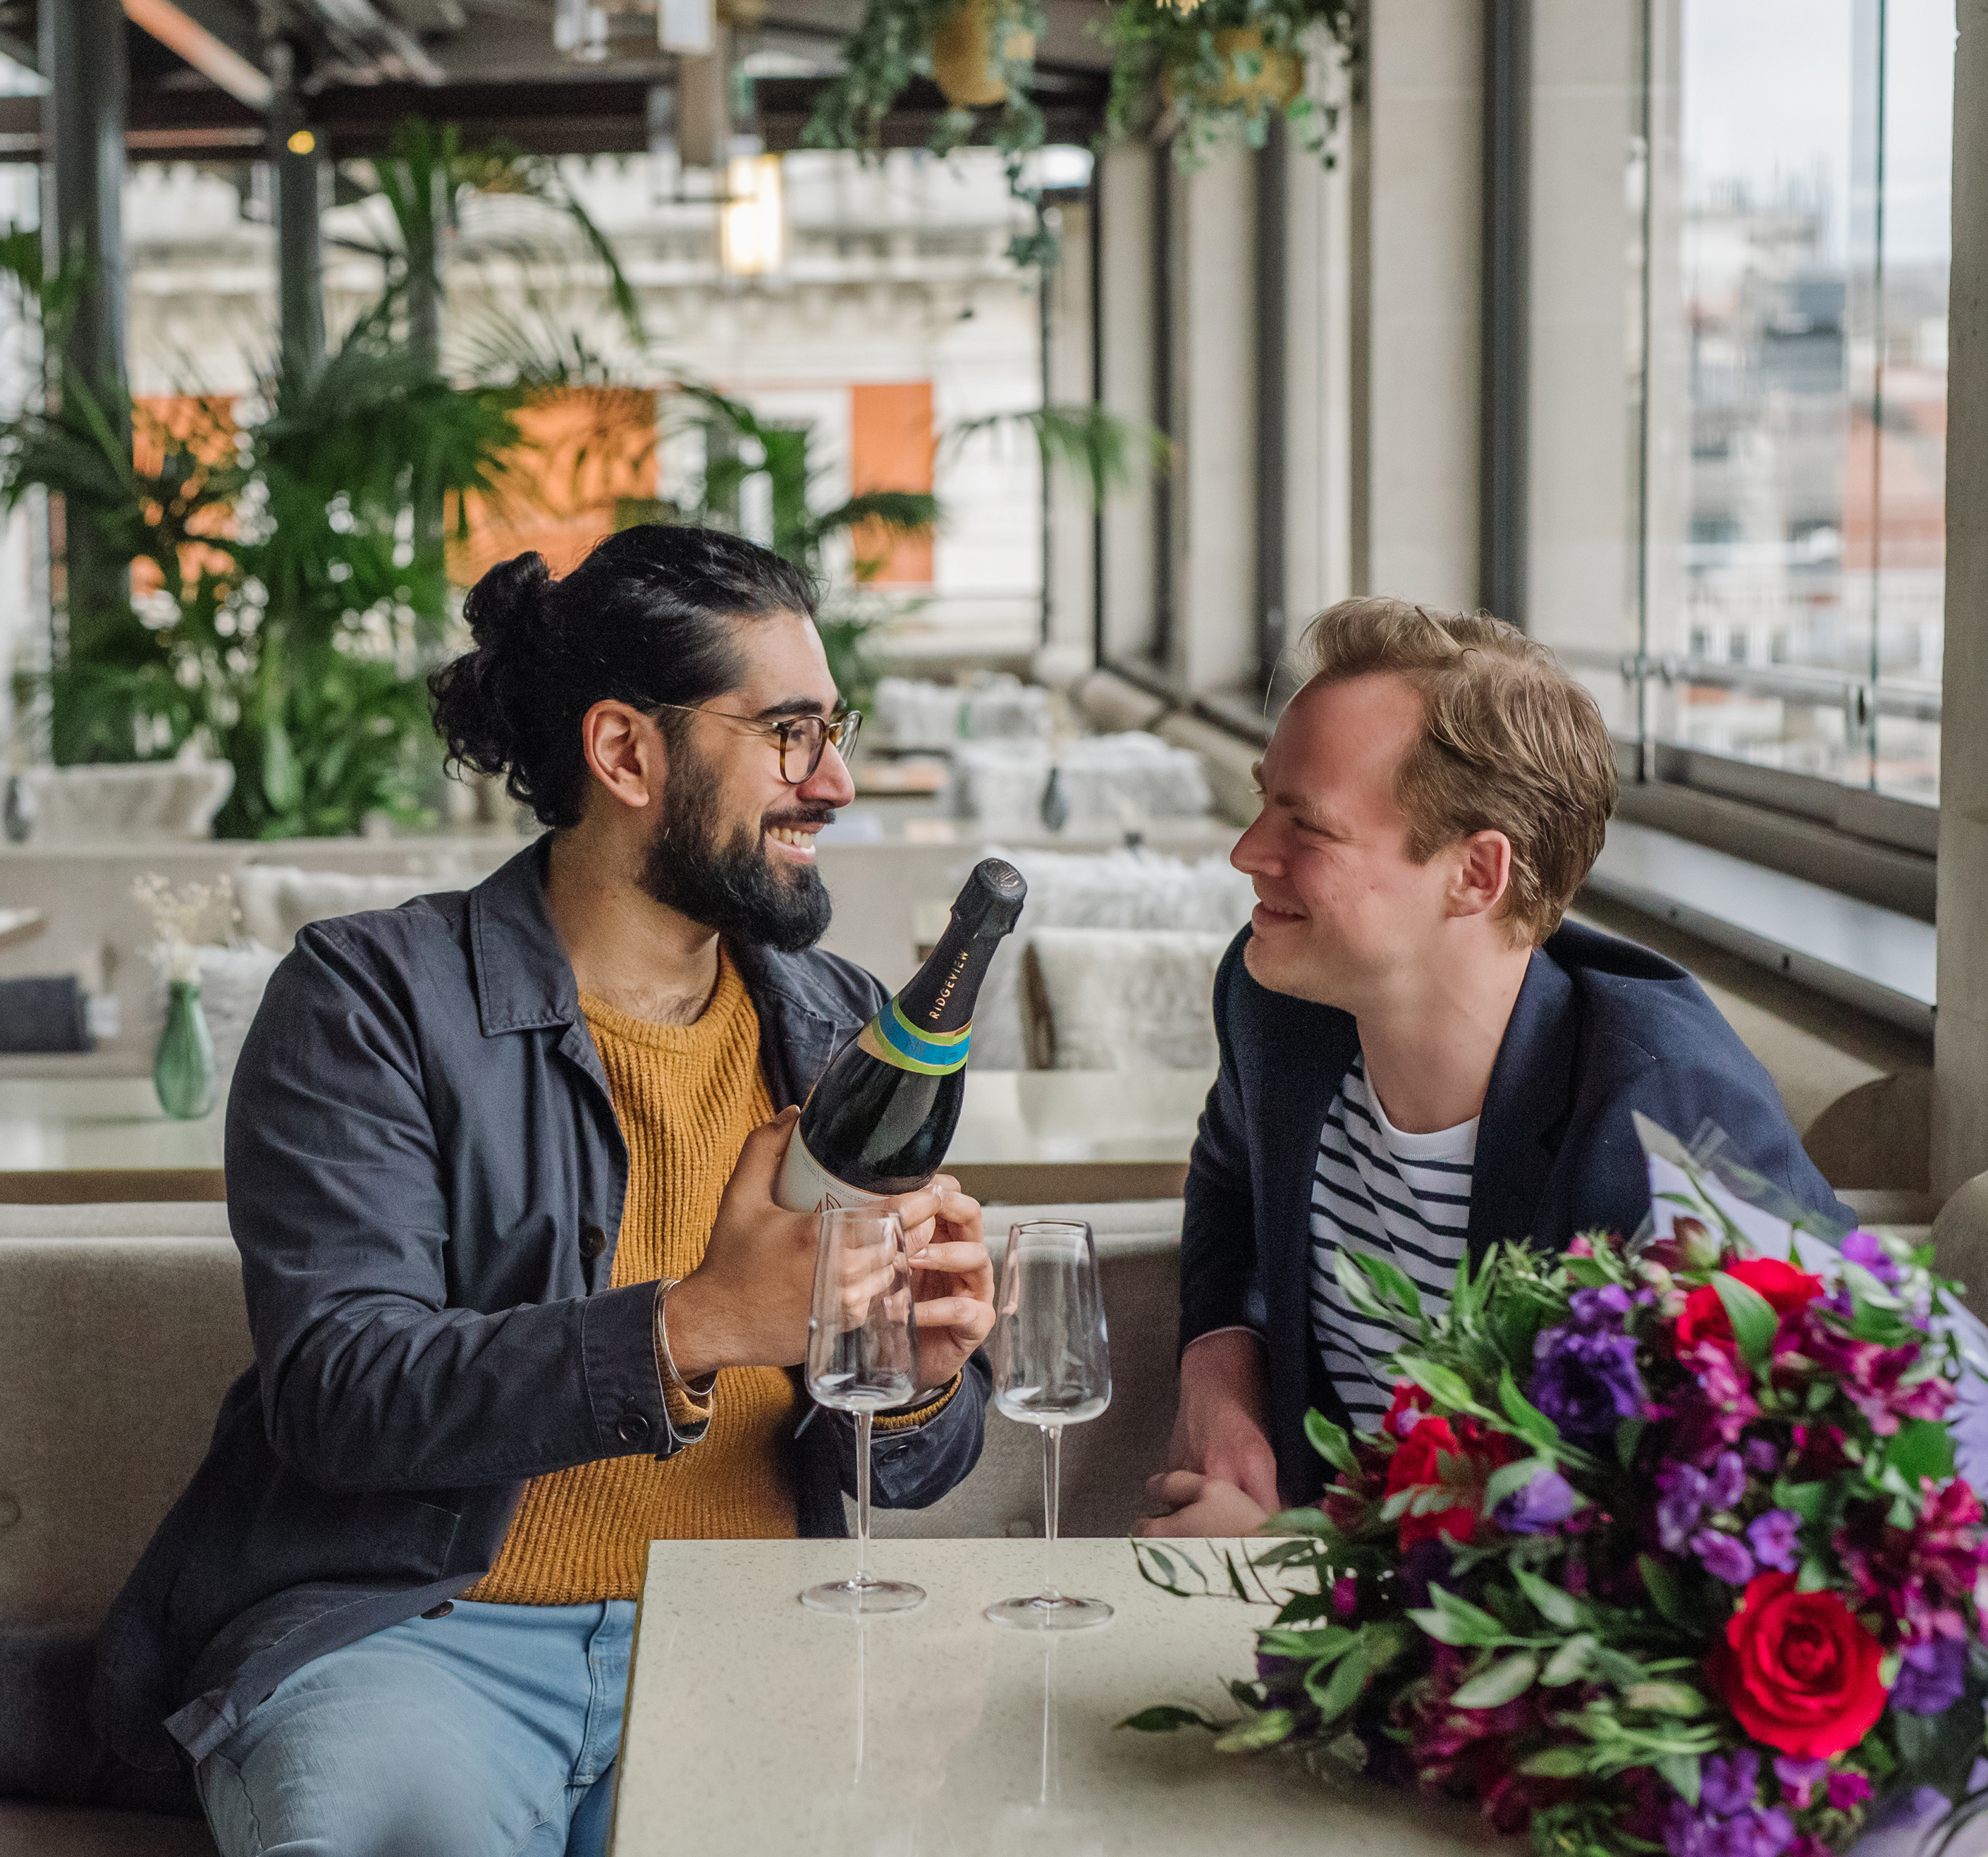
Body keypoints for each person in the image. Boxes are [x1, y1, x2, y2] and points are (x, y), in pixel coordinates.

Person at [90, 525, 998, 1854]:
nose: (838, 781)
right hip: (421, 1643)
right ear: (626, 750)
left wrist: (914, 1375)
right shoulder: (371, 999)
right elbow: (339, 1388)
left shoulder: (842, 1024)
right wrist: (690, 1325)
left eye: (833, 729)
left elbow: (908, 1461)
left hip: (744, 1648)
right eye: (790, 734)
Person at [1146, 599, 1851, 1538]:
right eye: (1262, 798)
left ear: (1477, 874)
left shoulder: (1659, 1114)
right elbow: (1231, 1177)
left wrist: (1283, 1563)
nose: (1247, 852)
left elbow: (1777, 1503)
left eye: (1304, 825)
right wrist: (1219, 1360)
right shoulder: (1275, 1003)